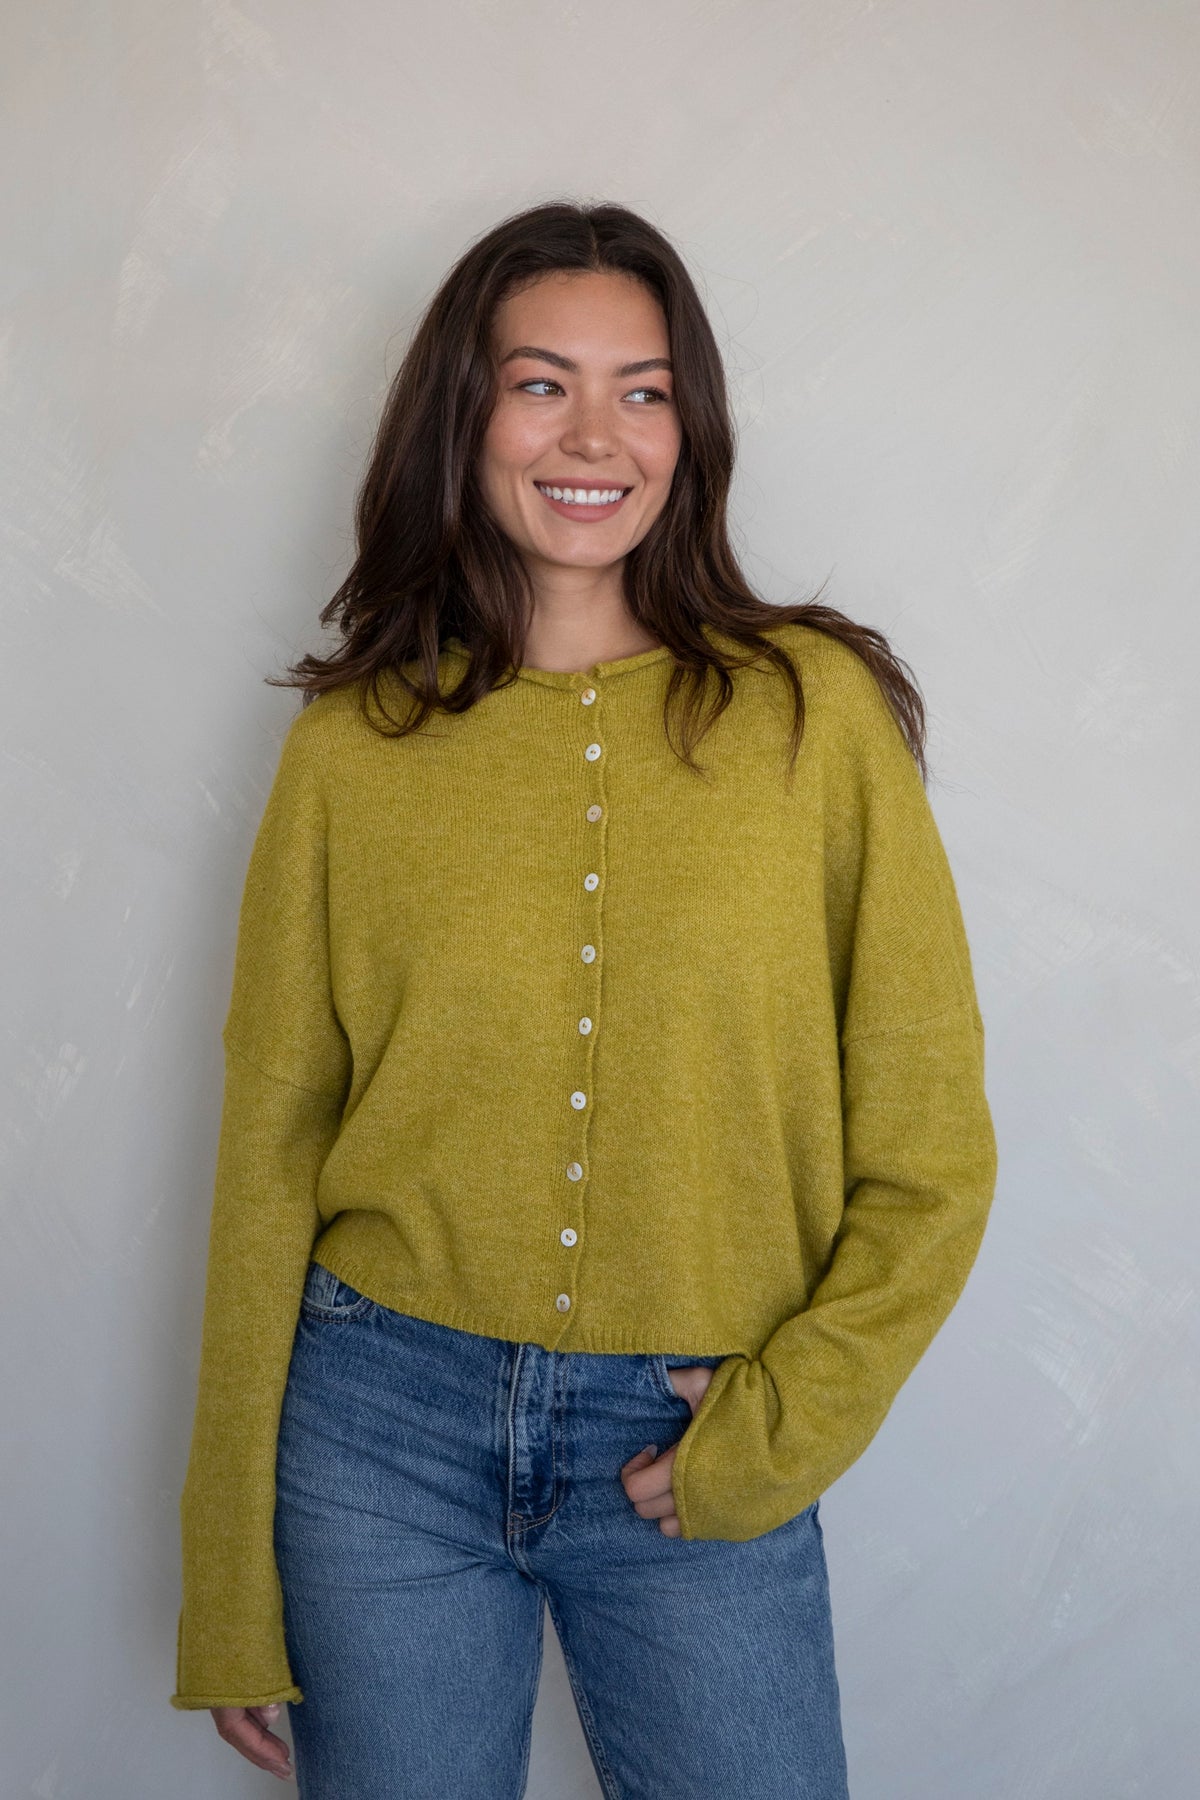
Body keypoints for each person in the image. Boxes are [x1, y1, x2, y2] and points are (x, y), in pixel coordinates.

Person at [170, 200, 998, 1798]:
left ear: (693, 427)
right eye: (541, 382)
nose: (595, 434)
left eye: (646, 387)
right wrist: (229, 1577)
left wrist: (786, 1424)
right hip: (375, 1432)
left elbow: (932, 1142)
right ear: (461, 415)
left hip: (697, 1441)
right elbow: (272, 1140)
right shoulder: (352, 748)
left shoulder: (813, 717)